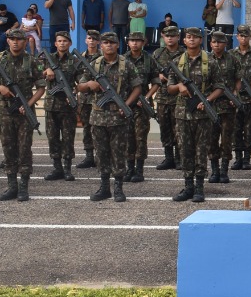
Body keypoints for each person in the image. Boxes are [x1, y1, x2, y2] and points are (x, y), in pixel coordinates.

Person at [76, 31, 142, 203]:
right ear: (101, 45)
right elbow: (80, 86)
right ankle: (104, 187)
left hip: (118, 117)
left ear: (118, 45)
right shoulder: (94, 64)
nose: (109, 45)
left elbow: (137, 87)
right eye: (106, 43)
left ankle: (118, 187)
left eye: (112, 43)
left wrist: (126, 104)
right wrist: (89, 85)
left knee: (119, 153)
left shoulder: (126, 64)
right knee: (101, 153)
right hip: (98, 117)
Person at [169, 27, 227, 203]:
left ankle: (199, 187)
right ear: (184, 40)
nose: (191, 40)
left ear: (201, 40)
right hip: (182, 113)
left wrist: (207, 100)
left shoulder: (210, 61)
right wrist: (179, 87)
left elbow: (220, 87)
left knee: (201, 151)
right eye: (188, 37)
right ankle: (188, 186)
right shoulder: (177, 61)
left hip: (202, 115)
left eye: (195, 37)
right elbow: (169, 88)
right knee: (185, 150)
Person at [0, 27, 47, 202]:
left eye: (19, 39)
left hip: (25, 113)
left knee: (24, 149)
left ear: (25, 41)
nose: (15, 42)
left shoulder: (32, 61)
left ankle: (23, 187)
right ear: (7, 40)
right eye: (12, 39)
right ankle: (11, 186)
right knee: (8, 147)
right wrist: (1, 88)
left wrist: (28, 104)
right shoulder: (0, 60)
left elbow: (41, 88)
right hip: (6, 111)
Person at [41, 30, 82, 183]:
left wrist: (74, 90)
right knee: (52, 137)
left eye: (65, 41)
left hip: (67, 106)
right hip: (51, 105)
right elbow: (37, 74)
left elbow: (81, 81)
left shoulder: (76, 61)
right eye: (59, 41)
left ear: (70, 43)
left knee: (67, 138)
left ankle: (67, 169)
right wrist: (47, 70)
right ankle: (56, 168)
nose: (62, 43)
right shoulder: (47, 58)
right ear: (55, 43)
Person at [124, 30, 160, 183]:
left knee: (140, 138)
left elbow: (156, 82)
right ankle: (129, 168)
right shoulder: (122, 60)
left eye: (138, 41)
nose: (135, 43)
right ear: (128, 42)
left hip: (142, 105)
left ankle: (139, 170)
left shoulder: (149, 60)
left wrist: (146, 97)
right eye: (132, 40)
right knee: (127, 137)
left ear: (143, 43)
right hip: (126, 104)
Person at [206, 30, 239, 184]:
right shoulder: (205, 59)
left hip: (227, 105)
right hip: (211, 105)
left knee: (226, 139)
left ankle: (224, 170)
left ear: (225, 44)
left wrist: (235, 93)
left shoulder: (233, 59)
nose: (216, 44)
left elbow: (239, 78)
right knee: (211, 138)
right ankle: (214, 170)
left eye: (220, 42)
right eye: (214, 42)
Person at [151, 25, 184, 171]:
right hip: (163, 97)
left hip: (179, 97)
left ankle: (179, 159)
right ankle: (168, 157)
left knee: (180, 129)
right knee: (165, 129)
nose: (170, 38)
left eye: (173, 35)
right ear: (163, 37)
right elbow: (151, 73)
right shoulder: (157, 54)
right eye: (167, 36)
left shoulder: (184, 53)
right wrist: (158, 77)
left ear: (178, 37)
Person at [229, 25, 251, 170]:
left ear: (250, 37)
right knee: (235, 129)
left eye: (246, 36)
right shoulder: (230, 55)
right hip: (235, 98)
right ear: (237, 37)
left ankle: (247, 159)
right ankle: (238, 159)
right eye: (241, 36)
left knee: (249, 130)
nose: (243, 38)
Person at [74, 30, 102, 169]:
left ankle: (101, 156)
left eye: (94, 39)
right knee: (86, 127)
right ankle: (89, 156)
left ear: (98, 42)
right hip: (85, 98)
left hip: (100, 98)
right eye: (89, 38)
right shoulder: (79, 58)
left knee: (100, 128)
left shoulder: (103, 57)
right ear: (86, 40)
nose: (91, 41)